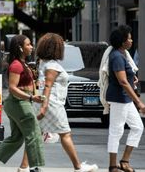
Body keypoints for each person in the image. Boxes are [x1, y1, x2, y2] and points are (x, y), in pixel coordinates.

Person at [0, 35, 45, 172]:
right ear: (21, 48)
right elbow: (12, 87)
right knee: (34, 133)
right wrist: (32, 98)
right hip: (20, 103)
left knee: (17, 137)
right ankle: (35, 167)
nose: (32, 47)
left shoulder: (23, 63)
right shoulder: (16, 65)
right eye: (28, 45)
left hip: (17, 103)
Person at [35, 33, 98, 172]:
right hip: (53, 104)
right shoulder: (52, 66)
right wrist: (44, 107)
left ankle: (24, 166)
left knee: (35, 135)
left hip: (48, 102)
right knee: (65, 133)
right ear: (55, 48)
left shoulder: (44, 63)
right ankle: (78, 166)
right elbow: (47, 86)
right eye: (61, 45)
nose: (63, 47)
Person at [105, 25, 145, 172]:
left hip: (125, 99)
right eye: (129, 38)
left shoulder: (122, 54)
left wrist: (132, 78)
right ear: (122, 41)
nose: (131, 40)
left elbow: (126, 77)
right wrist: (139, 101)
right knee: (116, 131)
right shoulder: (117, 56)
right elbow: (122, 81)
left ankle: (124, 161)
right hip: (119, 98)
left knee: (138, 127)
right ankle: (112, 165)